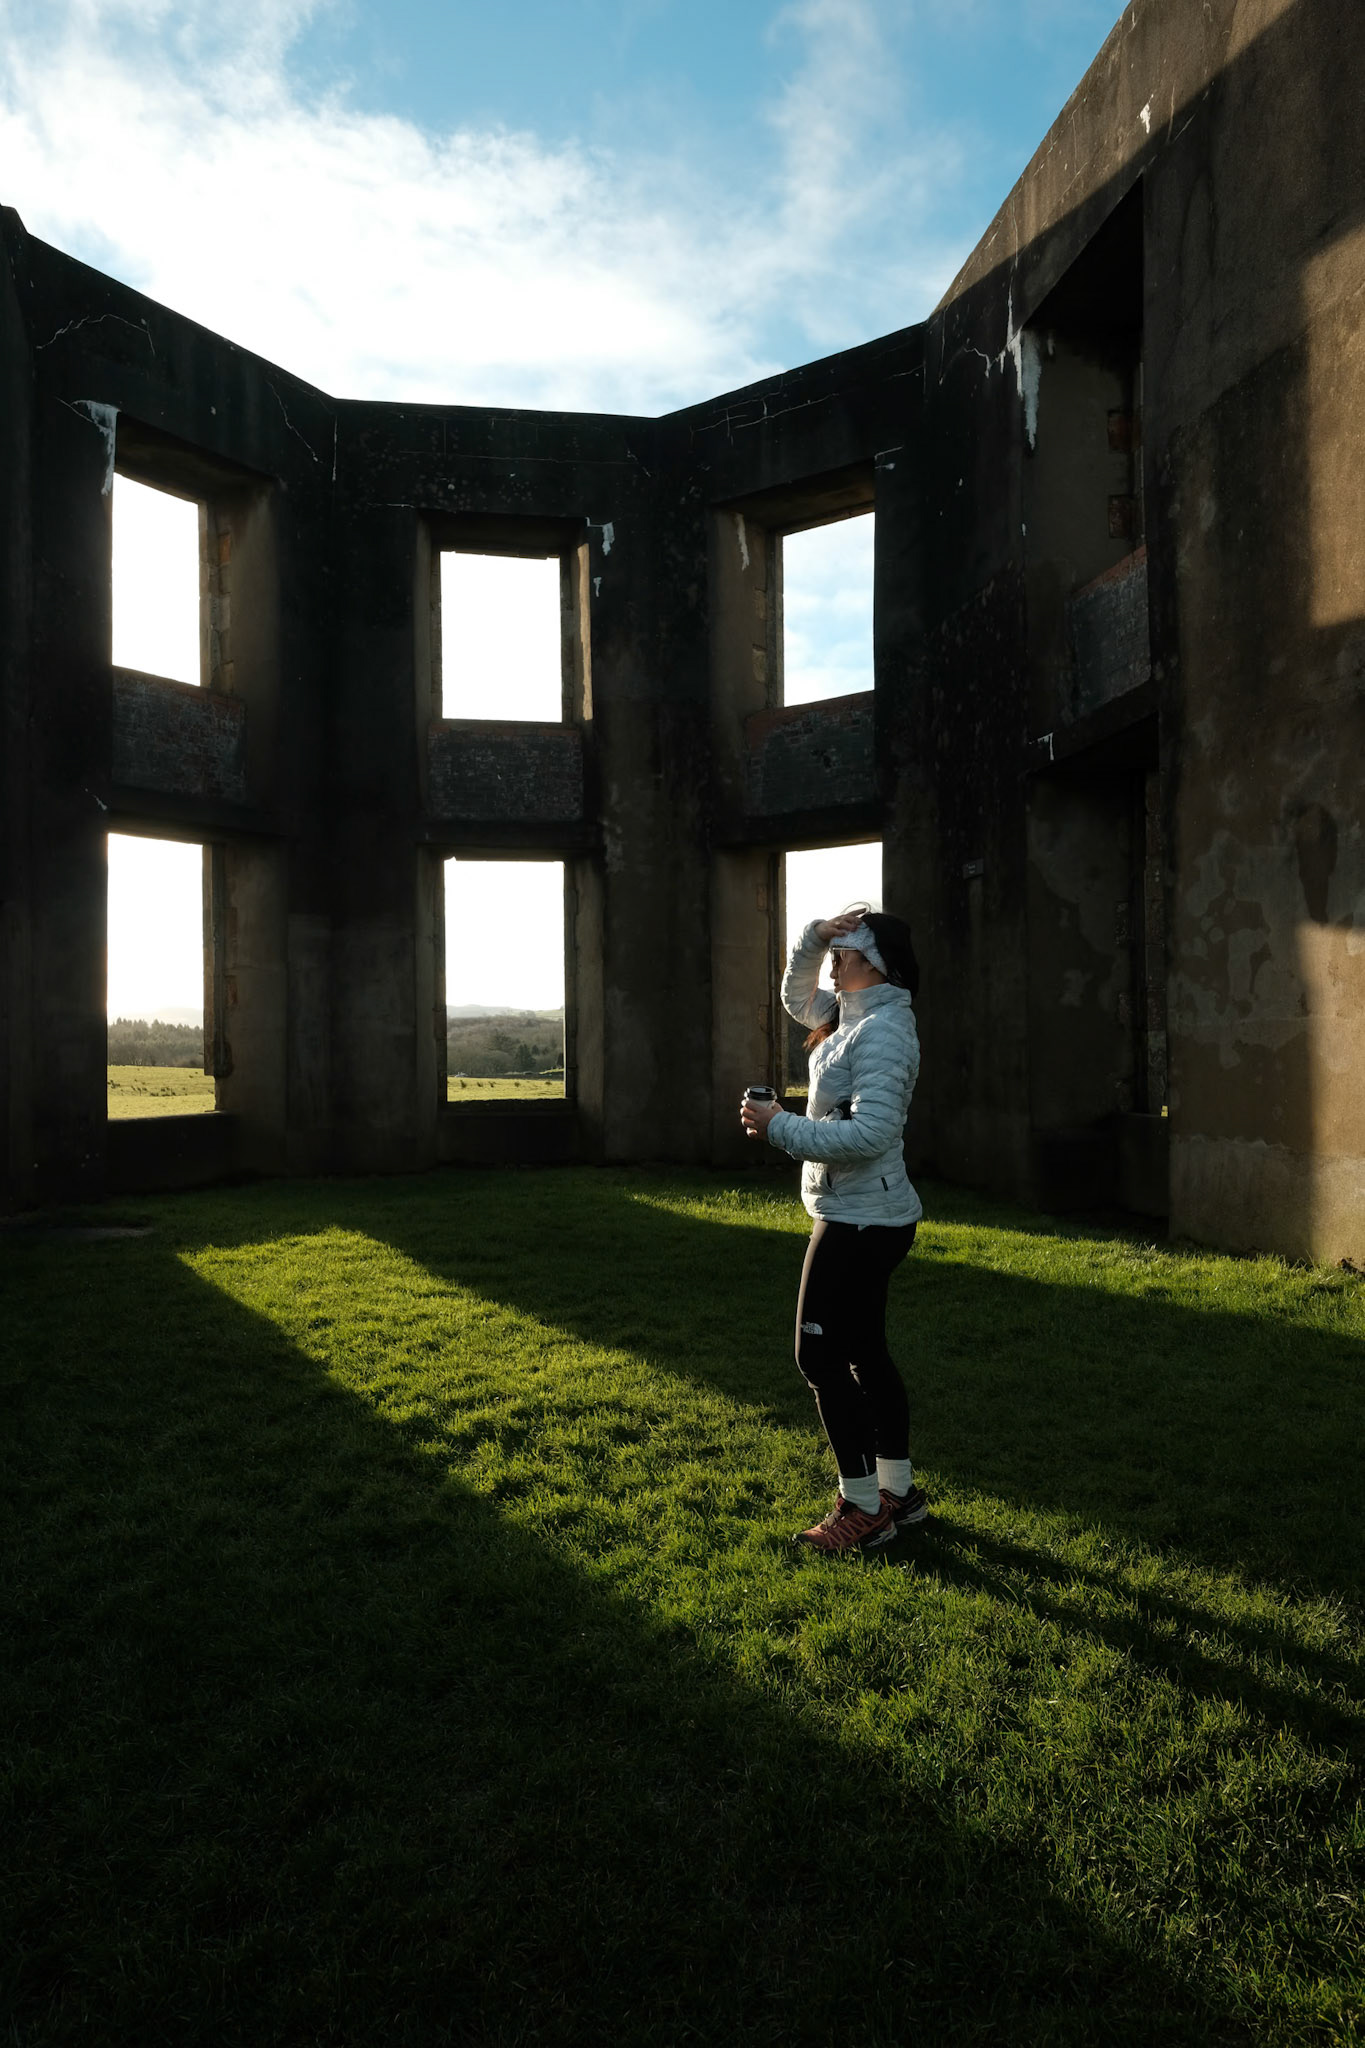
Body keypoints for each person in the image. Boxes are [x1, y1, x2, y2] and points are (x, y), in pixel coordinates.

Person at [740, 906, 926, 1555]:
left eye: (840, 954)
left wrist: (776, 1127)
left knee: (818, 1357)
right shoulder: (851, 1015)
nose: (830, 965)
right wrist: (813, 935)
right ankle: (897, 1492)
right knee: (863, 1353)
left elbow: (870, 1133)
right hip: (862, 1213)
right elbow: (794, 996)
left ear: (872, 963)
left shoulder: (881, 1033)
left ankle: (862, 1507)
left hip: (859, 1220)